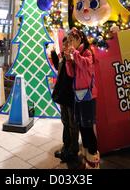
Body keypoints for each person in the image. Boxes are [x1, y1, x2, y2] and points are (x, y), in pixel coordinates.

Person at [65, 28, 100, 169]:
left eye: (72, 39)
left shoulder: (87, 51)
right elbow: (71, 74)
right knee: (81, 125)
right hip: (78, 95)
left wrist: (74, 53)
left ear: (79, 38)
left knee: (88, 127)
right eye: (69, 40)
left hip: (88, 96)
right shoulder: (77, 53)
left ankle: (94, 161)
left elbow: (86, 65)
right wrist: (68, 62)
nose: (70, 43)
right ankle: (87, 158)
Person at [51, 37, 79, 165]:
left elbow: (74, 74)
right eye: (64, 44)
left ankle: (73, 151)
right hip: (63, 95)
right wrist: (53, 54)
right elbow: (59, 68)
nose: (65, 46)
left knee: (73, 124)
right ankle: (66, 146)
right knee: (65, 121)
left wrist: (70, 59)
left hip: (71, 96)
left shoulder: (74, 57)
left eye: (67, 44)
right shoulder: (63, 57)